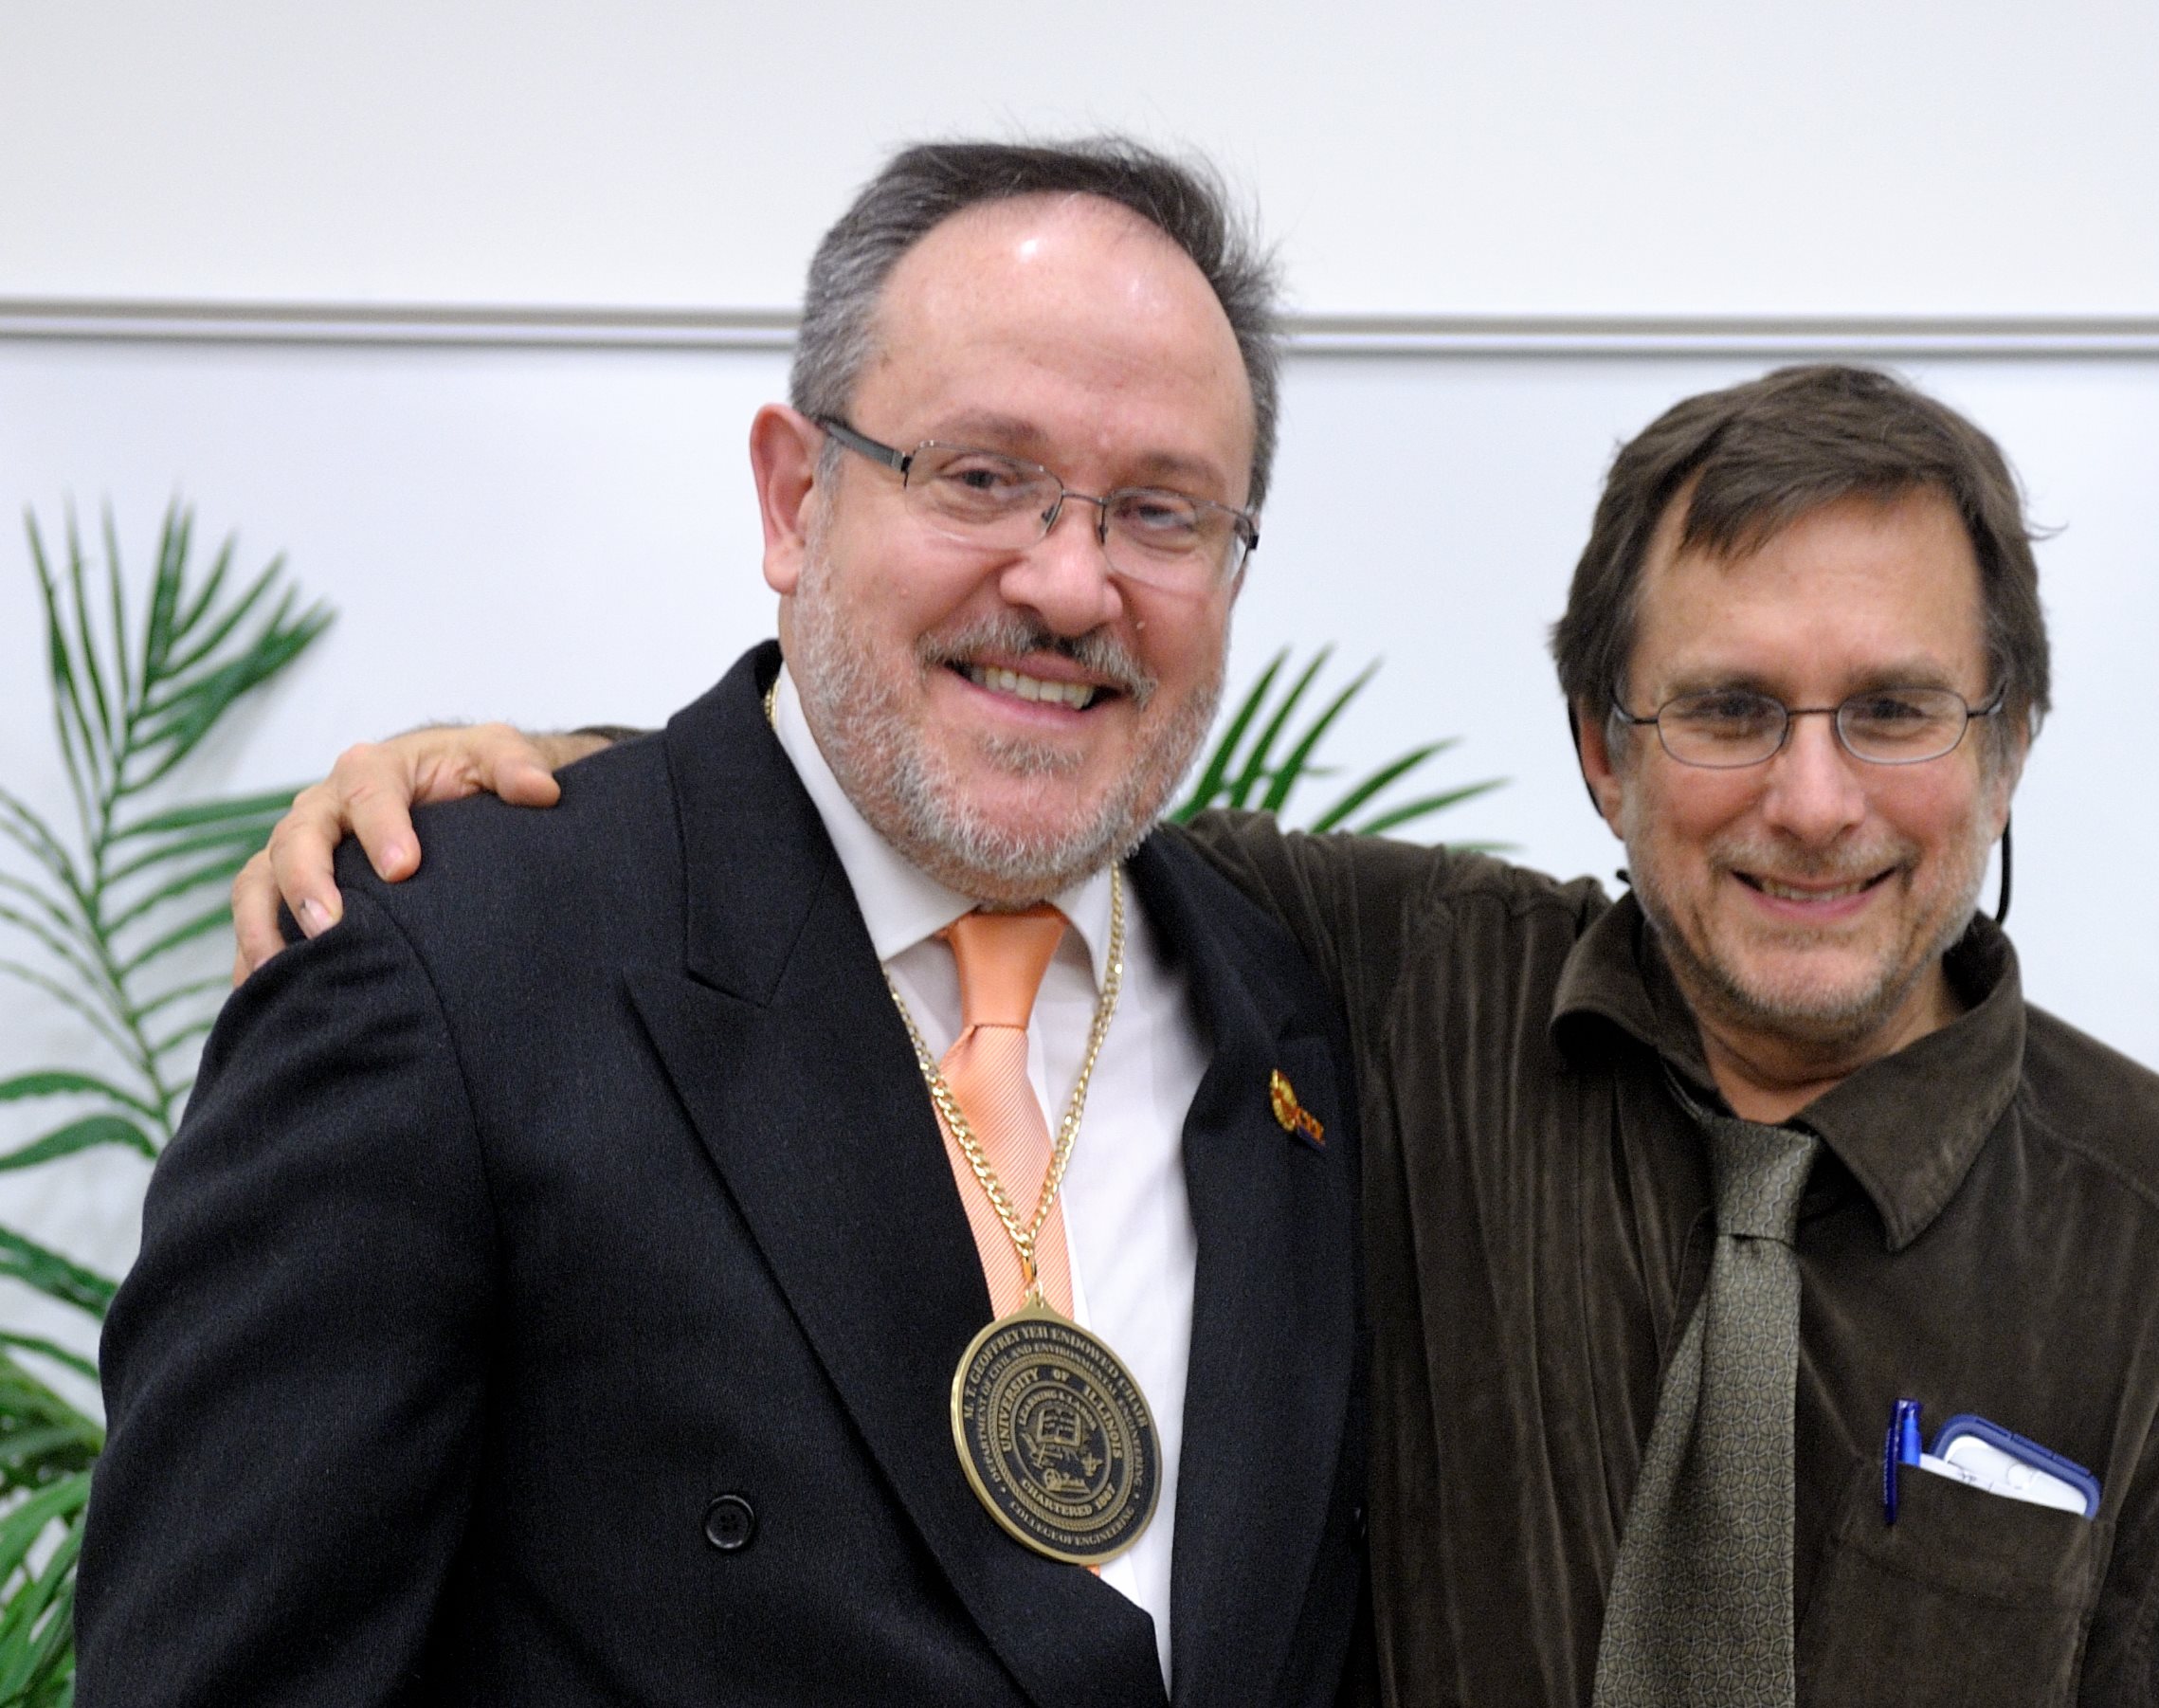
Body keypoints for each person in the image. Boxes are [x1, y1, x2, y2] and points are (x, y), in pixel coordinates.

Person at [234, 363, 2159, 1699]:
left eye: (1896, 712)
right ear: (1596, 742)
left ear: (2009, 740)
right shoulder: (1379, 987)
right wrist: (534, 792)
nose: (1814, 798)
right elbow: (971, 792)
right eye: (1727, 710)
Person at [78, 140, 1371, 1708]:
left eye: (1162, 513)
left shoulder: (1296, 1015)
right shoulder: (447, 972)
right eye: (979, 477)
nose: (1069, 581)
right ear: (792, 493)